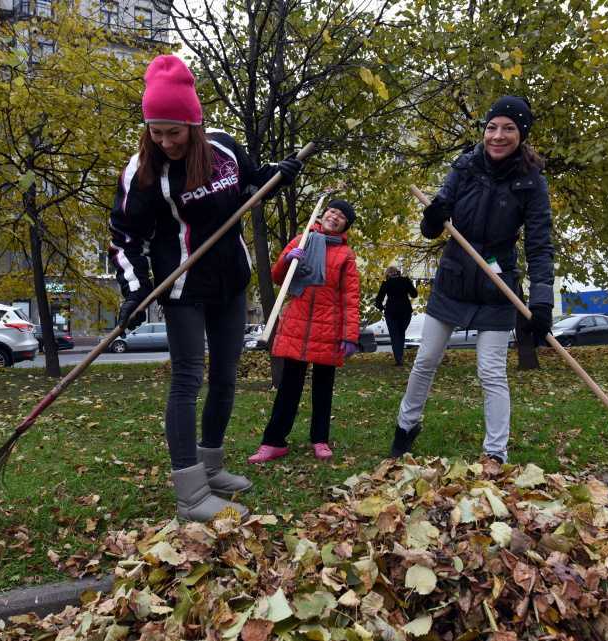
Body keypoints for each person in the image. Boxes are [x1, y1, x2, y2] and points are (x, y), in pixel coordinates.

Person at [108, 55, 303, 521]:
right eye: (156, 131)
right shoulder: (144, 172)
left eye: (174, 131)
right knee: (187, 380)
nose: (165, 141)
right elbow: (123, 237)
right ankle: (190, 493)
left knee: (226, 376)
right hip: (183, 288)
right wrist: (134, 291)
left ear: (194, 124)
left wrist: (276, 175)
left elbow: (249, 184)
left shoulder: (224, 149)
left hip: (231, 282)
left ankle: (212, 467)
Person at [388, 95, 554, 463]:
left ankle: (496, 453)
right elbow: (434, 224)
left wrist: (542, 301)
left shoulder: (531, 182)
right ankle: (406, 425)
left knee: (491, 371)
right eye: (492, 127)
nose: (498, 135)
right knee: (426, 358)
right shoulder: (465, 167)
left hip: (497, 286)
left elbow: (541, 246)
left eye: (508, 129)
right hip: (454, 280)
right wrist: (434, 217)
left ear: (521, 134)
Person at [247, 200, 361, 464]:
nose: (335, 216)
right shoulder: (303, 239)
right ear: (323, 214)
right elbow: (278, 277)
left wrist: (350, 334)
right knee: (289, 386)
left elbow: (350, 297)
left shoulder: (346, 255)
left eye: (342, 216)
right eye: (332, 211)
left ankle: (320, 439)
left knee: (323, 387)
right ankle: (273, 442)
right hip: (297, 324)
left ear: (345, 225)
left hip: (328, 328)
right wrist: (287, 259)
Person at [375, 266, 418, 366]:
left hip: (391, 313)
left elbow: (378, 301)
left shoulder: (386, 283)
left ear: (388, 274)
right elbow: (414, 294)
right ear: (398, 272)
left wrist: (383, 309)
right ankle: (400, 358)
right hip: (405, 312)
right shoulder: (405, 280)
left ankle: (398, 359)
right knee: (401, 333)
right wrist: (409, 286)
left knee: (395, 336)